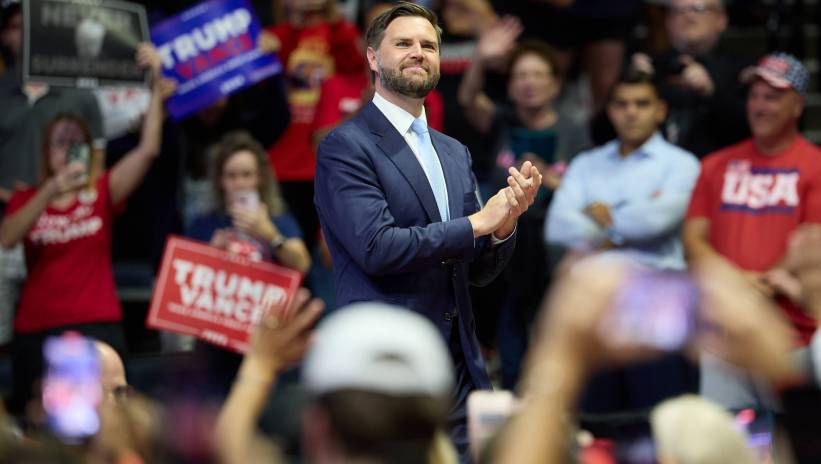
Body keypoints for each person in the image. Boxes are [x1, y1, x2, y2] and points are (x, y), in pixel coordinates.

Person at [313, 2, 541, 456]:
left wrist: (502, 228)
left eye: (429, 45)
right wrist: (477, 223)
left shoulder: (454, 151)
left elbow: (473, 270)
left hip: (460, 368)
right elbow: (376, 247)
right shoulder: (345, 145)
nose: (418, 52)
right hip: (387, 370)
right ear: (373, 58)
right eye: (404, 43)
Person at [0, 44, 165, 417]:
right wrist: (49, 190)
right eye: (60, 142)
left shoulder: (102, 190)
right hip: (38, 327)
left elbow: (149, 149)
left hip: (96, 322)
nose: (68, 150)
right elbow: (8, 237)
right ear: (46, 151)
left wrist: (154, 85)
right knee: (38, 422)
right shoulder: (27, 196)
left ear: (89, 150)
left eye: (77, 143)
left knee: (108, 416)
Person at [545, 70, 700, 413]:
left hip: (659, 313)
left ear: (660, 110)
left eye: (641, 104)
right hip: (596, 314)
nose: (631, 112)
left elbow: (656, 223)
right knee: (595, 424)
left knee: (660, 425)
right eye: (622, 104)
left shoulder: (682, 165)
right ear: (610, 110)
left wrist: (601, 219)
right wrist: (623, 226)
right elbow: (559, 227)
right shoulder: (587, 163)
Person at [683, 52, 821, 409]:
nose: (759, 106)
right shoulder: (715, 165)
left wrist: (761, 282)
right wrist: (739, 282)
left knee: (794, 445)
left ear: (797, 106)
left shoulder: (815, 165)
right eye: (755, 96)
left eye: (772, 97)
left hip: (792, 334)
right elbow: (694, 239)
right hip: (724, 335)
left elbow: (812, 239)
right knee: (723, 444)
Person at [459, 34, 592, 387]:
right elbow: (468, 99)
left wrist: (548, 179)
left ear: (555, 83)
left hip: (553, 244)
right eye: (520, 76)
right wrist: (480, 59)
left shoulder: (573, 129)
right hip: (504, 243)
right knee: (508, 317)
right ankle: (512, 384)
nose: (529, 83)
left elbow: (588, 194)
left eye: (538, 75)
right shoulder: (503, 120)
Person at [186, 130, 311, 395]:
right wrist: (210, 254)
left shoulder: (277, 219)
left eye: (246, 175)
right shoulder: (204, 223)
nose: (240, 183)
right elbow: (182, 281)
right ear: (220, 181)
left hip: (264, 340)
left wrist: (269, 234)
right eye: (231, 175)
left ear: (259, 179)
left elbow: (302, 263)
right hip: (217, 345)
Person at [631, 0, 753, 158]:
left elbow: (754, 131)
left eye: (698, 9)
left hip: (721, 168)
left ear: (721, 19)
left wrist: (711, 93)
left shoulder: (743, 69)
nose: (689, 16)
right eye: (679, 11)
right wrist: (631, 84)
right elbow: (602, 134)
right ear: (667, 21)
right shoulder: (650, 67)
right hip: (653, 169)